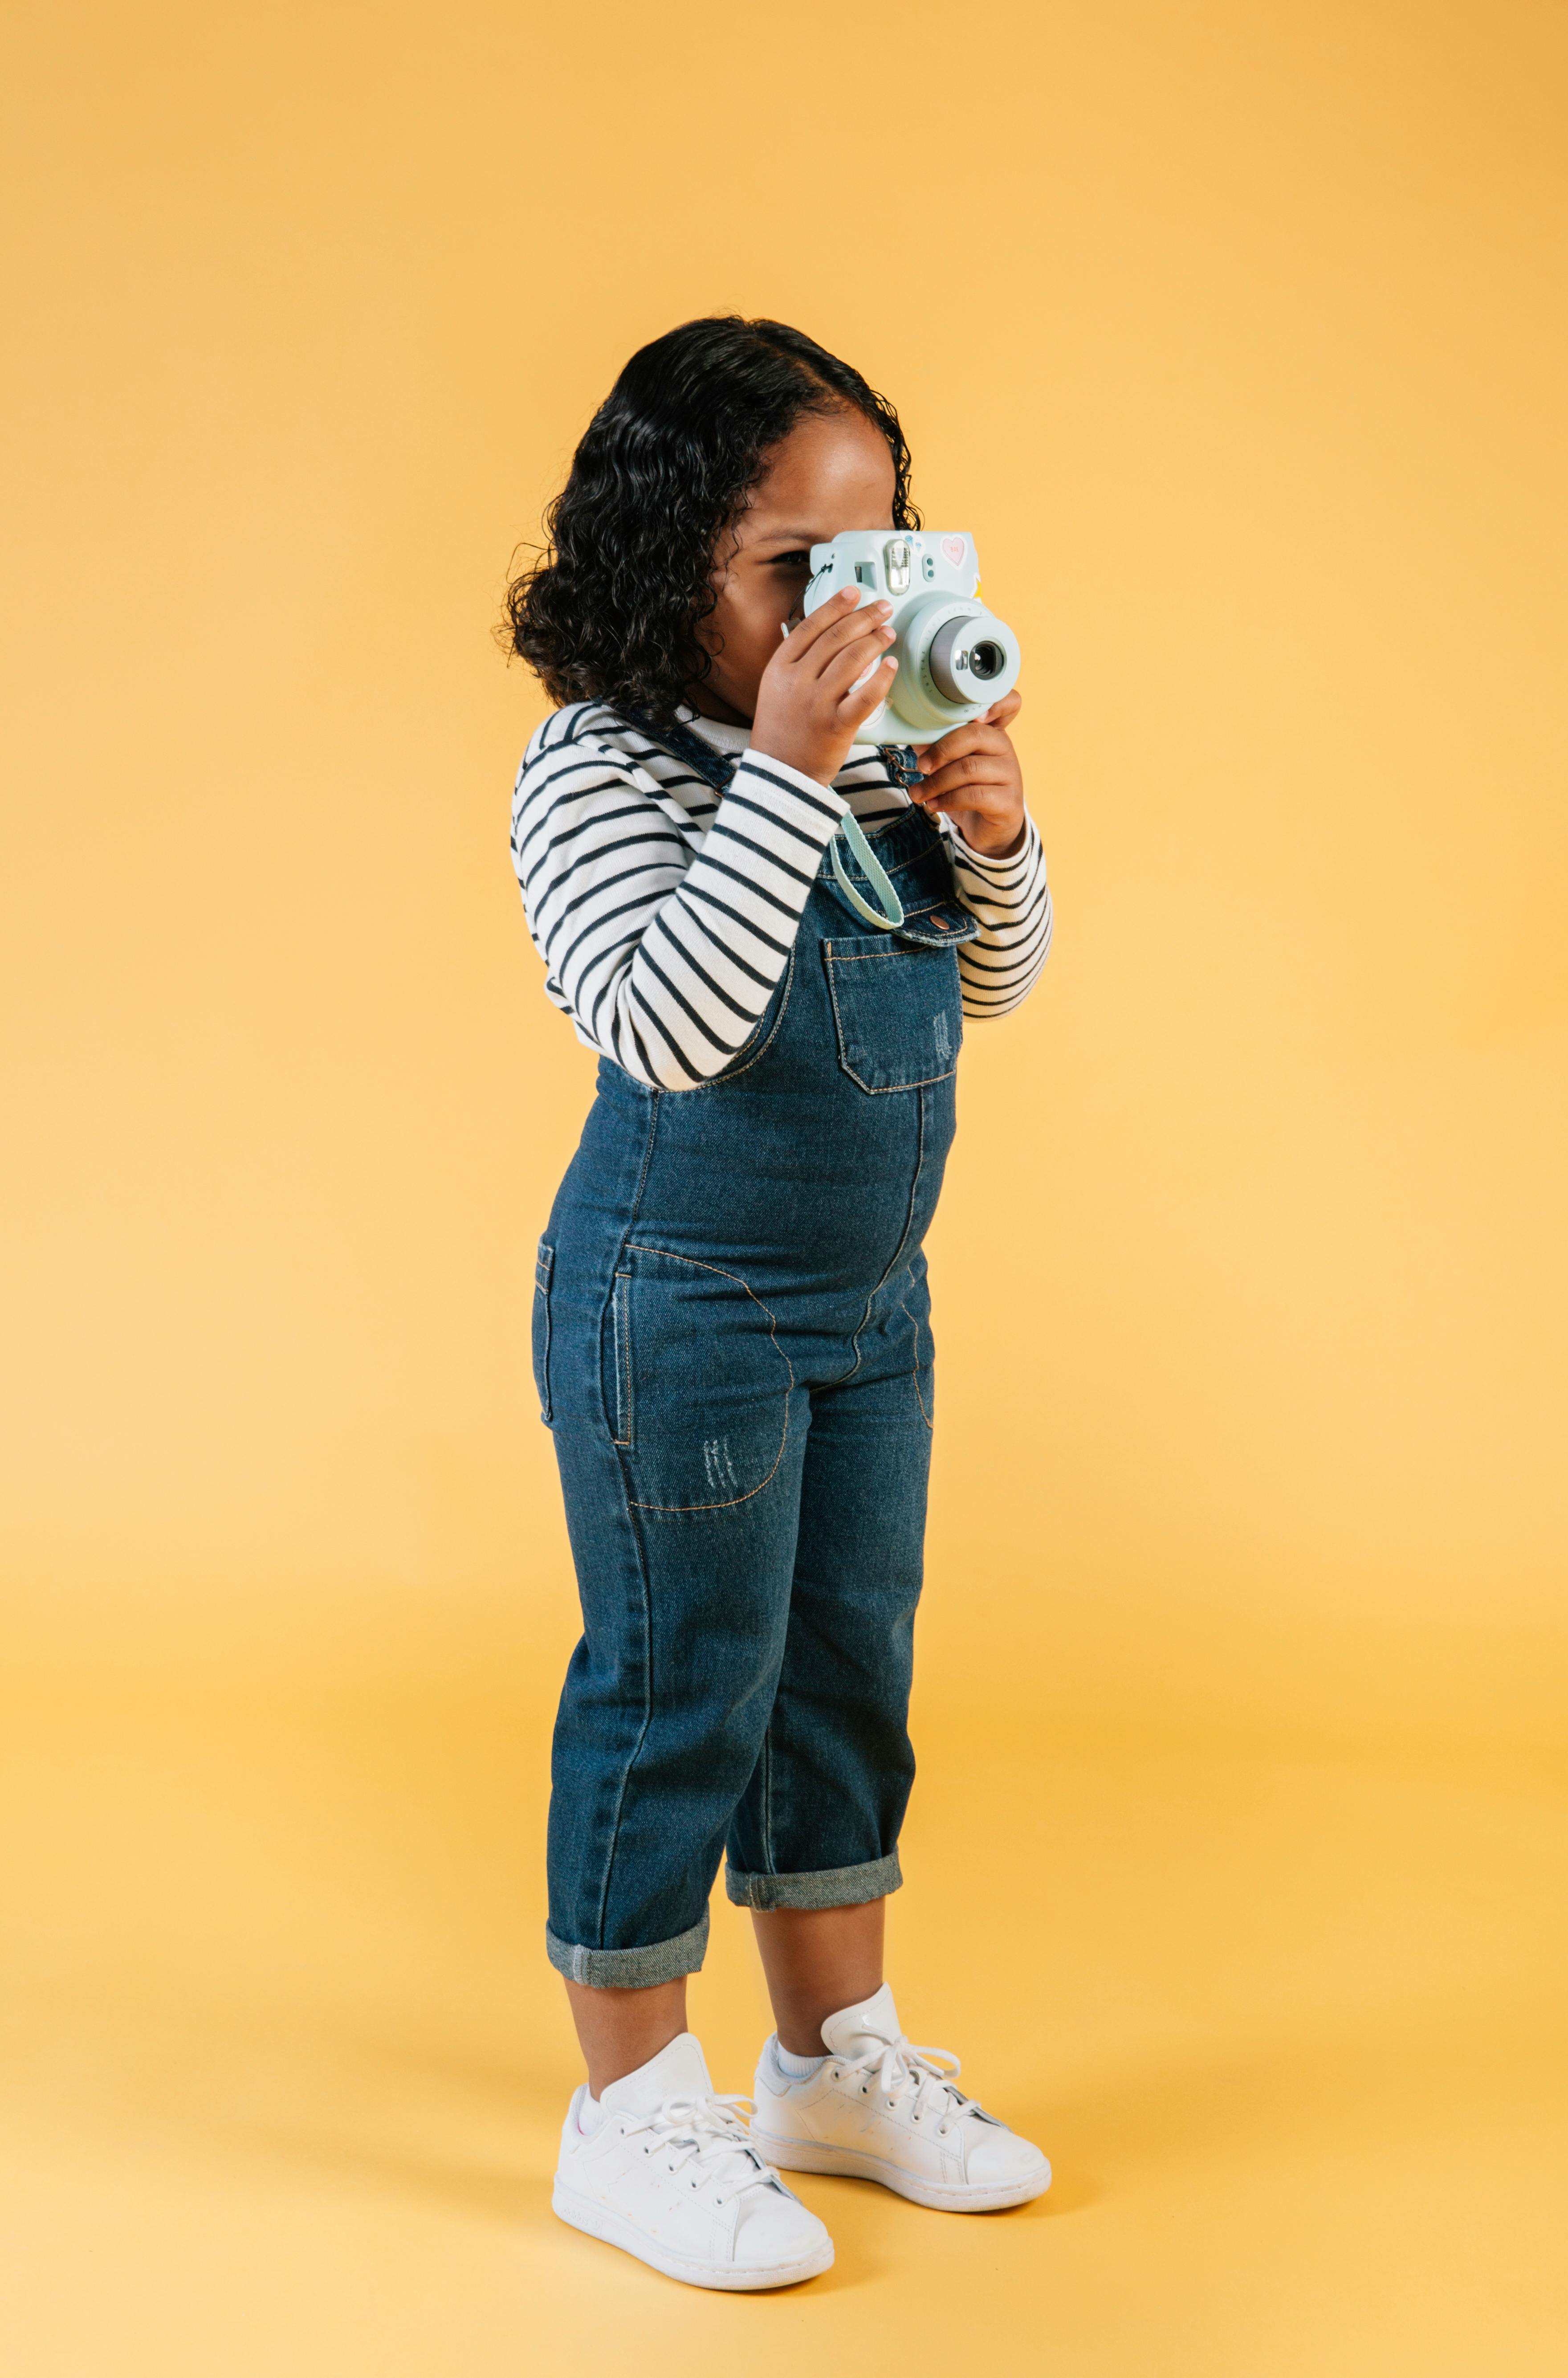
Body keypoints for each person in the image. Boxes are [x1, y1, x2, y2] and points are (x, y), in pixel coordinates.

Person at [505, 316, 1053, 2291]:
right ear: (672, 564)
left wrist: (989, 841)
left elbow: (984, 996)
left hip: (865, 1303)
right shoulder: (597, 769)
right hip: (679, 1306)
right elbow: (669, 1021)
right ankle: (630, 2108)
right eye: (798, 578)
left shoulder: (887, 770)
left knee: (839, 1683)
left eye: (882, 557)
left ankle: (827, 2061)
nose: (852, 615)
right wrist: (785, 774)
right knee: (678, 1693)